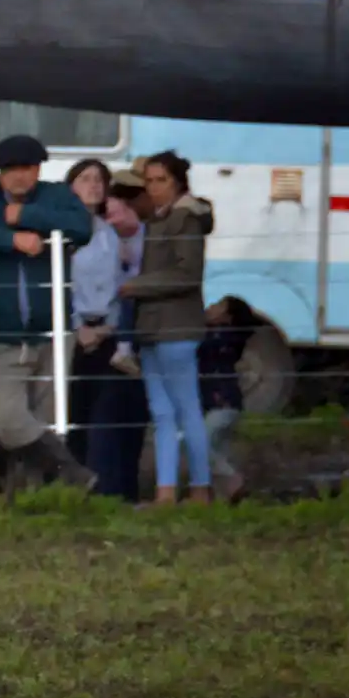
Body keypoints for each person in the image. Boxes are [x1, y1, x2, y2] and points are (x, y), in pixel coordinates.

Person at [0, 134, 97, 489]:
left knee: (48, 417)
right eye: (10, 169)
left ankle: (29, 498)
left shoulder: (56, 196)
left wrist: (27, 216)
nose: (18, 177)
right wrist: (9, 239)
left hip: (54, 331)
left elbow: (82, 228)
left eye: (26, 169)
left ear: (38, 169)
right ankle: (70, 474)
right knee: (7, 418)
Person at [119, 150, 214, 506]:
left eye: (162, 181)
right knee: (161, 411)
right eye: (150, 181)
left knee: (186, 407)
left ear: (178, 183)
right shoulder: (158, 219)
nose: (154, 188)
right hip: (151, 327)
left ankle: (201, 488)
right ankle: (166, 491)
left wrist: (135, 286)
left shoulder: (185, 219)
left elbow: (187, 274)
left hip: (177, 326)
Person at [87, 170, 153, 503]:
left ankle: (126, 487)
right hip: (111, 333)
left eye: (115, 211)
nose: (111, 219)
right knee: (108, 412)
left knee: (133, 414)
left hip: (142, 333)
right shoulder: (105, 239)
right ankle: (107, 487)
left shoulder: (150, 236)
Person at [63, 159, 121, 467]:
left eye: (99, 179)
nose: (94, 185)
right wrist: (76, 327)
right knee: (72, 409)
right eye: (85, 178)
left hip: (104, 330)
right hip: (74, 331)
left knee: (102, 411)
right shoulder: (63, 232)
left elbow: (116, 285)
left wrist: (108, 326)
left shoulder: (108, 234)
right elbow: (61, 284)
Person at [199, 295, 252, 502]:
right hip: (221, 403)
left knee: (199, 443)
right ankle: (222, 499)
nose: (211, 307)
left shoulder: (222, 339)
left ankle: (233, 480)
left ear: (228, 317)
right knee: (219, 450)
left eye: (218, 306)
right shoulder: (218, 337)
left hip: (223, 403)